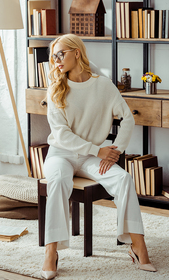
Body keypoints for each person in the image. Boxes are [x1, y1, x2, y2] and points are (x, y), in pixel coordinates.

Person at [41, 34, 156, 279]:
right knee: (59, 181)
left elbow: (128, 118)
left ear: (76, 53)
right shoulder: (55, 89)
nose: (56, 60)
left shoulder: (103, 85)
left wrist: (116, 151)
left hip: (91, 158)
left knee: (124, 179)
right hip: (61, 155)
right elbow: (61, 135)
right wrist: (98, 150)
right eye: (54, 56)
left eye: (61, 53)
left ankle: (138, 246)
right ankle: (51, 252)